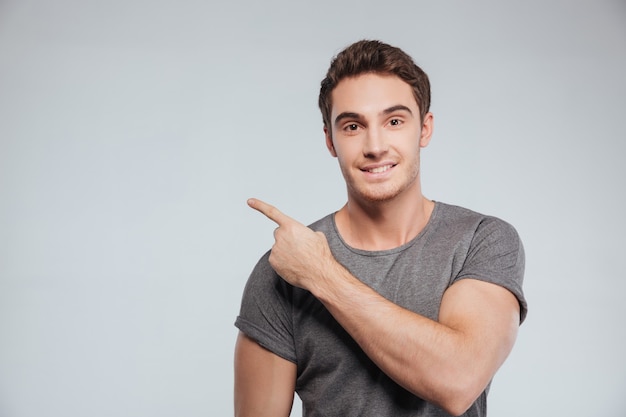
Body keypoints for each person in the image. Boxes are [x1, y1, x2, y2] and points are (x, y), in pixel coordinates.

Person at [234, 39, 527, 417]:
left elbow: (457, 380)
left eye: (394, 121)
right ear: (330, 140)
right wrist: (303, 271)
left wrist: (322, 275)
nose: (375, 146)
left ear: (424, 128)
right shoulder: (281, 271)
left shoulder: (481, 241)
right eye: (353, 125)